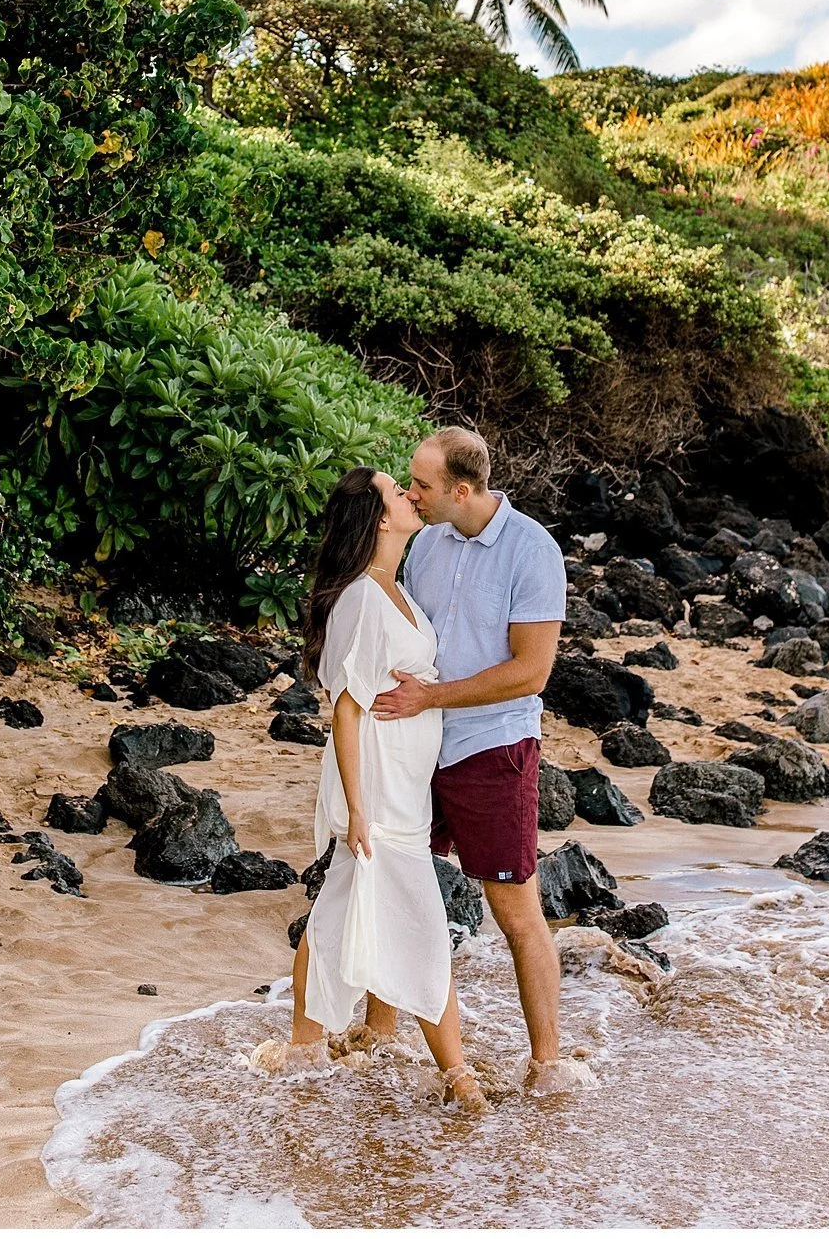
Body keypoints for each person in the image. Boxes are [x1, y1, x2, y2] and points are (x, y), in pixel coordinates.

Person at [250, 466, 487, 1111]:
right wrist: (357, 808)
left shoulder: (395, 587)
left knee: (341, 907)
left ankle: (311, 1050)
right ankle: (458, 1077)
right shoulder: (361, 597)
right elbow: (346, 711)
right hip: (378, 790)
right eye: (397, 491)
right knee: (419, 921)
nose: (411, 495)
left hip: (406, 784)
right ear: (380, 518)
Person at [371, 427, 595, 1095]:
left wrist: (432, 697)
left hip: (492, 748)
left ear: (462, 490)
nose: (412, 493)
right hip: (417, 744)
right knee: (395, 884)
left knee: (515, 910)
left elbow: (531, 672)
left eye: (422, 485)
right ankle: (378, 1040)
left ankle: (547, 1065)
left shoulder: (533, 551)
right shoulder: (427, 544)